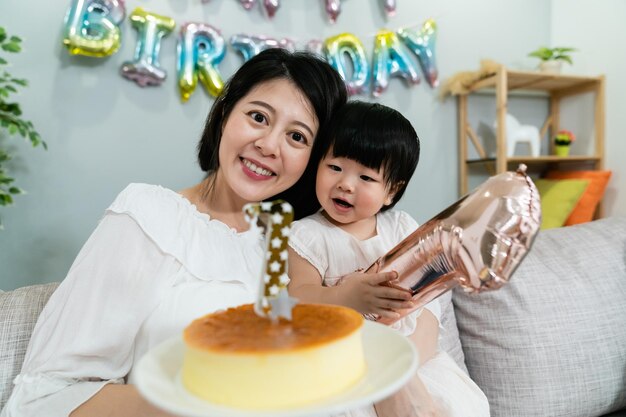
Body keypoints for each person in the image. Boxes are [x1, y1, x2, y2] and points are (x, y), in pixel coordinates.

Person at [0, 48, 350, 417]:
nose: (268, 145)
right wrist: (196, 402)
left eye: (297, 137)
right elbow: (46, 395)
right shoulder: (149, 214)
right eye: (258, 117)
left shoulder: (296, 247)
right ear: (224, 113)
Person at [287, 101, 490, 417]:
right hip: (350, 361)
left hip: (415, 353)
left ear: (391, 192)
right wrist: (345, 296)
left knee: (456, 405)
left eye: (366, 178)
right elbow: (295, 296)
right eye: (335, 167)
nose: (345, 184)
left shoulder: (402, 228)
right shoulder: (307, 235)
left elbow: (427, 305)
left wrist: (409, 358)